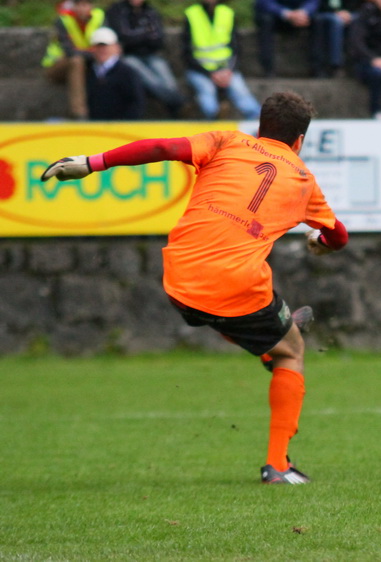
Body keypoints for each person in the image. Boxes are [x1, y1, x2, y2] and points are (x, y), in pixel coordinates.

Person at [40, 91, 349, 485]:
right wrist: (320, 243)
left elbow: (162, 147)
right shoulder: (304, 180)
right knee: (291, 352)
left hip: (180, 280)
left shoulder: (226, 141)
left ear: (260, 126)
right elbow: (339, 236)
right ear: (299, 141)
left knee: (225, 312)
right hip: (236, 289)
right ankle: (278, 465)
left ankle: (268, 341)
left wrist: (90, 163)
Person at [104, 0, 186, 118]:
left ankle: (174, 104)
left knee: (169, 82)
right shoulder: (118, 11)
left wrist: (137, 36)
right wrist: (145, 35)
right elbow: (123, 38)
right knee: (150, 79)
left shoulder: (150, 11)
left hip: (151, 54)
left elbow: (158, 38)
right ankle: (177, 102)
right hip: (129, 55)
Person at [183, 0, 261, 120]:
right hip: (200, 71)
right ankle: (215, 120)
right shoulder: (191, 14)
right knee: (208, 102)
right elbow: (187, 54)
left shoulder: (227, 13)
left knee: (243, 95)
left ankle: (259, 123)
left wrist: (228, 71)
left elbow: (236, 49)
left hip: (226, 69)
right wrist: (210, 73)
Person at [42, 0, 105, 120]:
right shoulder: (63, 20)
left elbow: (105, 46)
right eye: (78, 5)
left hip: (87, 62)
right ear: (73, 6)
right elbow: (69, 51)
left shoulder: (99, 17)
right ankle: (79, 113)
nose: (82, 9)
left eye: (85, 5)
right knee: (77, 61)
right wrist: (92, 53)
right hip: (56, 66)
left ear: (91, 6)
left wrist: (93, 53)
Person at [85, 27, 146, 120]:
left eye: (105, 46)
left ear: (116, 47)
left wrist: (124, 123)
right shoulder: (89, 71)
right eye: (98, 46)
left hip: (120, 125)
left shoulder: (127, 72)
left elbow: (137, 103)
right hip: (95, 125)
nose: (102, 50)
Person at [254, 0, 320, 77]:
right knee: (266, 20)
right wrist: (288, 14)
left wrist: (303, 12)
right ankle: (267, 68)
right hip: (276, 15)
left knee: (319, 20)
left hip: (302, 16)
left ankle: (318, 68)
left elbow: (313, 2)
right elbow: (265, 3)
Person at [311, 0, 363, 78]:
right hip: (325, 13)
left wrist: (346, 13)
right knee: (336, 21)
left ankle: (358, 64)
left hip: (351, 13)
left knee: (359, 19)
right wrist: (336, 12)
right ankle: (335, 65)